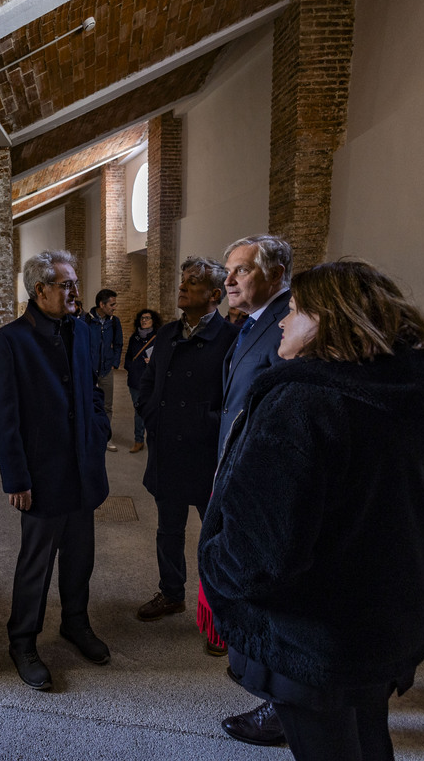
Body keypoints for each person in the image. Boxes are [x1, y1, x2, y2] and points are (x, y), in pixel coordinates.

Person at [199, 260, 424, 761]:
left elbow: (259, 552)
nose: (282, 321)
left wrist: (216, 566)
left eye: (295, 310)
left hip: (313, 635)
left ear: (330, 319)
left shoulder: (304, 402)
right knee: (367, 733)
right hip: (390, 617)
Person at [0, 250, 113, 691]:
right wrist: (16, 477)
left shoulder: (82, 331)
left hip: (83, 467)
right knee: (36, 564)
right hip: (42, 474)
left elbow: (93, 390)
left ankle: (75, 625)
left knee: (81, 557)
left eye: (74, 282)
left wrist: (99, 430)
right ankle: (22, 641)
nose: (75, 290)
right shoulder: (11, 340)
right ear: (40, 289)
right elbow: (4, 417)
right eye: (65, 284)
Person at [206, 234, 294, 743]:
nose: (229, 281)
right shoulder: (252, 325)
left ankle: (284, 706)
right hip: (235, 467)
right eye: (228, 271)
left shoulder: (287, 325)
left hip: (259, 478)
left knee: (270, 592)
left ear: (276, 273)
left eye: (241, 270)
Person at [135, 257, 239, 622]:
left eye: (192, 282)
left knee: (215, 537)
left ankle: (218, 612)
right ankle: (171, 593)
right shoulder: (166, 334)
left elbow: (237, 400)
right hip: (167, 451)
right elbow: (146, 384)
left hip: (206, 453)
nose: (182, 286)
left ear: (214, 294)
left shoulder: (230, 339)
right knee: (168, 530)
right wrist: (152, 416)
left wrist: (204, 422)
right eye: (183, 280)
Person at [84, 288, 123, 451]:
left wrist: (114, 361)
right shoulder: (86, 320)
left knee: (107, 406)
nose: (114, 307)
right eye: (112, 304)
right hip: (89, 371)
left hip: (106, 369)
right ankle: (88, 436)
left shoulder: (114, 321)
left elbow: (118, 343)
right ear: (102, 304)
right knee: (87, 403)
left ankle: (106, 438)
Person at [123, 308, 162, 453]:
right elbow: (128, 356)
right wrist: (130, 367)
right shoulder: (135, 337)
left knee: (153, 410)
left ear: (153, 321)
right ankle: (138, 440)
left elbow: (164, 360)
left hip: (152, 379)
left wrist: (153, 362)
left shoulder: (159, 337)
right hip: (135, 379)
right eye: (142, 318)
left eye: (147, 318)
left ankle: (154, 440)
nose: (144, 320)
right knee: (139, 411)